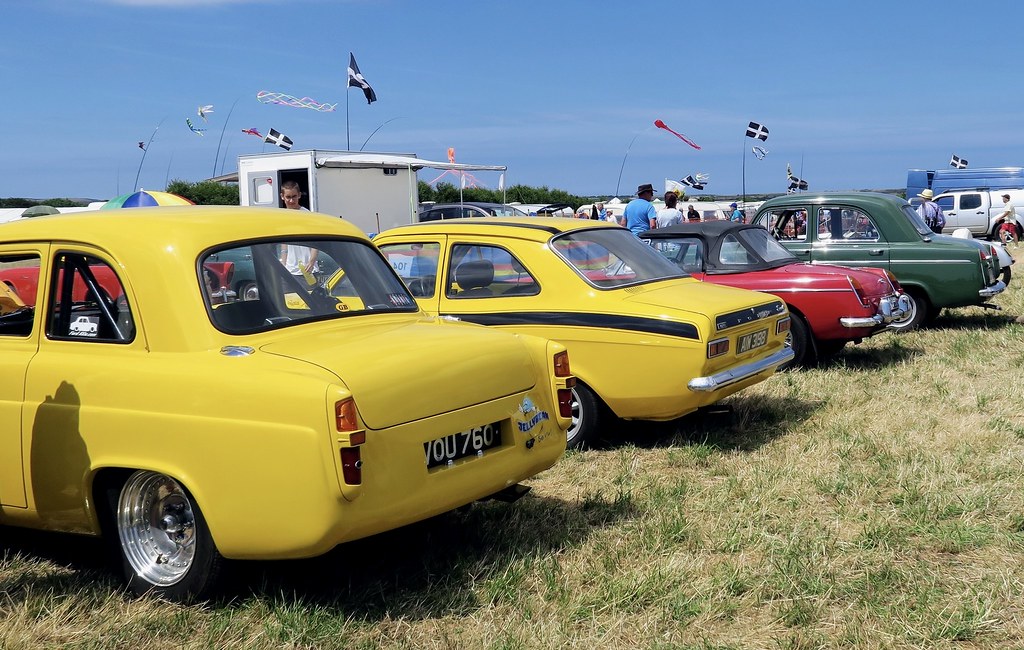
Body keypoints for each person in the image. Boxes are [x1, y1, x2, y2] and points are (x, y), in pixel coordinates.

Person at [278, 181, 319, 283]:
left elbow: (315, 240)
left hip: (308, 270)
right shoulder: (281, 217)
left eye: (294, 196)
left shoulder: (307, 215)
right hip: (290, 270)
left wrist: (312, 261)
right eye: (288, 197)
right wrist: (283, 263)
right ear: (282, 197)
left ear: (299, 195)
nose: (291, 200)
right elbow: (284, 243)